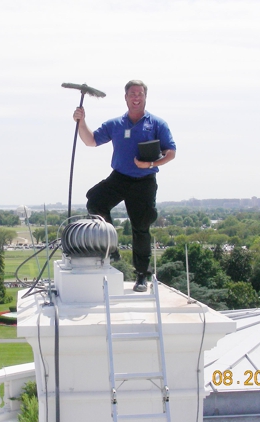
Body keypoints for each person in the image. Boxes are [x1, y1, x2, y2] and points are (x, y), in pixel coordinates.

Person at [72, 80, 176, 292]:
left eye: (139, 93)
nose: (136, 97)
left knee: (141, 228)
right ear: (126, 97)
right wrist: (81, 122)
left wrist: (151, 164)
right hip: (119, 177)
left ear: (145, 97)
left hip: (144, 181)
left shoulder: (157, 124)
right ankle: (112, 247)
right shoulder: (115, 124)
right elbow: (90, 141)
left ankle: (141, 276)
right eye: (132, 93)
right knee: (95, 201)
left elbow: (171, 152)